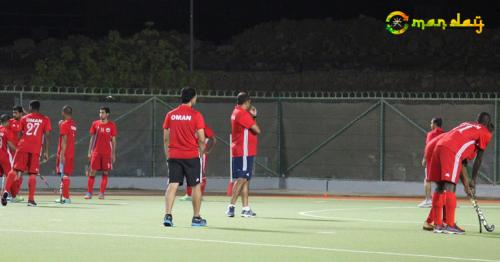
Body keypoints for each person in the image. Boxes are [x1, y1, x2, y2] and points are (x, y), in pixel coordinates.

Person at [428, 112, 493, 234]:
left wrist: (467, 185)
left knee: (440, 187)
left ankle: (438, 225)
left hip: (439, 146)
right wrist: (473, 180)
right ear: (487, 124)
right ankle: (450, 225)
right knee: (450, 186)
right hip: (451, 150)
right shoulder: (485, 132)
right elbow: (479, 158)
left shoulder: (466, 125)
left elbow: (462, 163)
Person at [163, 87, 207, 227]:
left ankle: (168, 216)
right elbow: (201, 138)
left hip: (174, 155)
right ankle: (196, 218)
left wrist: (167, 155)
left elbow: (165, 139)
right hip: (191, 156)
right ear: (193, 98)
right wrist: (202, 150)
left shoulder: (170, 114)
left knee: (173, 184)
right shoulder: (196, 115)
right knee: (195, 186)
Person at [1, 100, 51, 207]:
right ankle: (31, 200)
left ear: (30, 107)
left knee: (14, 170)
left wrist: (20, 146)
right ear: (38, 108)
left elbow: (20, 134)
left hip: (22, 147)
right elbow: (47, 136)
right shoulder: (45, 119)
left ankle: (5, 191)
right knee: (32, 174)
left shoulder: (24, 118)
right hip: (35, 149)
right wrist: (46, 152)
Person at [226, 92, 260, 218]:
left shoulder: (235, 111)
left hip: (240, 150)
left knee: (245, 180)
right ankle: (231, 206)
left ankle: (245, 208)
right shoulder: (242, 113)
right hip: (244, 151)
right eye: (249, 103)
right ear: (246, 102)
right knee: (242, 179)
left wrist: (252, 116)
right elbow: (257, 130)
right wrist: (253, 116)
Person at [85, 106, 117, 200]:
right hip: (96, 152)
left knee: (105, 172)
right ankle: (89, 193)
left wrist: (113, 154)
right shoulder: (95, 124)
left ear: (107, 114)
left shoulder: (112, 125)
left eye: (102, 112)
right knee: (92, 172)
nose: (100, 114)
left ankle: (102, 193)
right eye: (100, 112)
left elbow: (114, 140)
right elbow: (92, 138)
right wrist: (89, 151)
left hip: (107, 153)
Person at [180, 125, 216, 201]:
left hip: (201, 154)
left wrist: (208, 150)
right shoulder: (188, 126)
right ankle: (189, 195)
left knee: (201, 174)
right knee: (189, 173)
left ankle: (200, 195)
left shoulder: (204, 127)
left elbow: (213, 139)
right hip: (190, 153)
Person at [418, 117, 445, 208]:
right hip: (441, 160)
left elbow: (428, 147)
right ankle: (444, 200)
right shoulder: (445, 134)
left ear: (435, 124)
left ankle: (428, 200)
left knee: (427, 180)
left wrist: (424, 158)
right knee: (442, 181)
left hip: (431, 160)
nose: (430, 125)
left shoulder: (431, 134)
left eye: (431, 123)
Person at [55, 106, 76, 204]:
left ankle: (66, 198)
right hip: (71, 153)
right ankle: (64, 196)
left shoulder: (64, 124)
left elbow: (64, 140)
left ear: (63, 112)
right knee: (66, 175)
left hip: (64, 153)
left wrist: (62, 155)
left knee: (64, 176)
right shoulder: (73, 124)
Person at [7, 106, 24, 202]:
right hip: (11, 152)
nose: (14, 115)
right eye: (13, 112)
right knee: (11, 174)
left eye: (16, 113)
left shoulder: (24, 122)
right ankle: (10, 194)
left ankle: (15, 194)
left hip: (21, 152)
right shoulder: (10, 122)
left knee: (20, 175)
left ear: (21, 113)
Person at [0, 115, 17, 191]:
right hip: (3, 156)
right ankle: (9, 194)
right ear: (6, 122)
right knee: (9, 174)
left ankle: (4, 193)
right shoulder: (5, 130)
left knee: (4, 174)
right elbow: (10, 145)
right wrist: (18, 152)